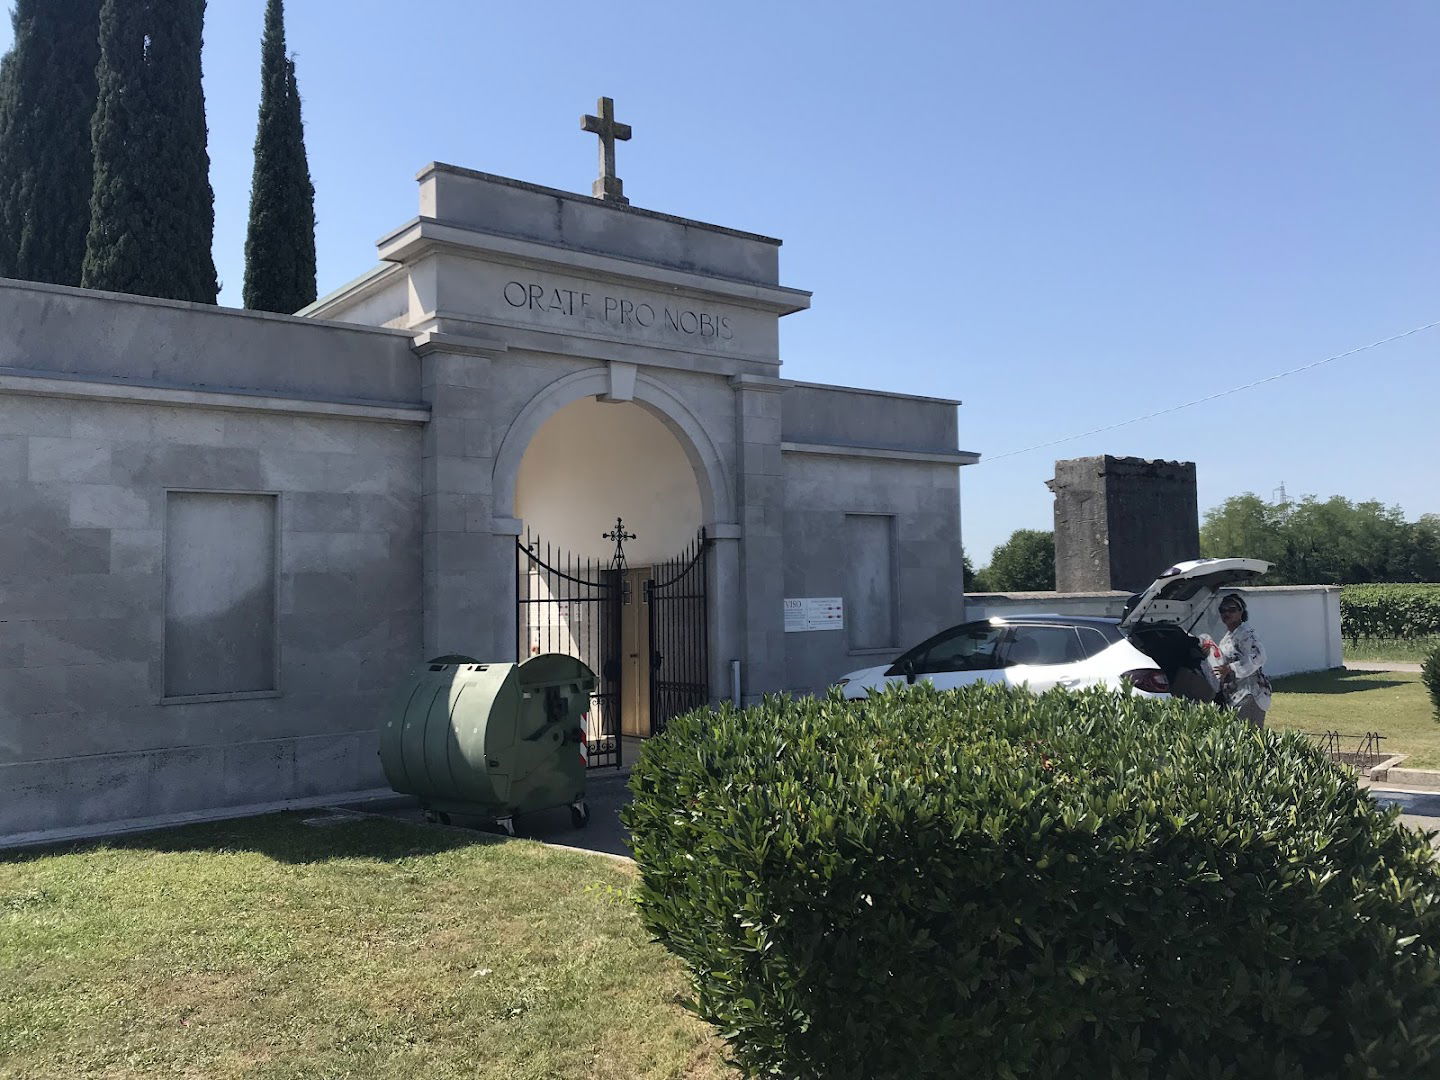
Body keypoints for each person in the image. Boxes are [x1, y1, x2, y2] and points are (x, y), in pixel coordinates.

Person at [1213, 593, 1271, 728]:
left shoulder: (1246, 633)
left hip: (1249, 695)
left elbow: (1259, 656)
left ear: (1241, 612)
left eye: (1232, 609)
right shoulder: (1228, 637)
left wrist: (1231, 668)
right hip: (1235, 695)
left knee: (1248, 737)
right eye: (1223, 610)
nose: (1226, 613)